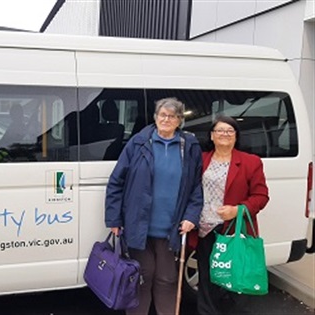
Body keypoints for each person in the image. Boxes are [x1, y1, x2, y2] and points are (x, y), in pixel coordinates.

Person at [105, 97, 203, 315]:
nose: (166, 119)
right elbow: (116, 181)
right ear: (155, 117)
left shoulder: (189, 146)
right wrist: (114, 219)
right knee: (141, 276)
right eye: (162, 115)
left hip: (172, 228)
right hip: (139, 226)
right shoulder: (139, 143)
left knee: (167, 279)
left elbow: (196, 186)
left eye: (172, 116)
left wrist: (191, 217)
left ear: (179, 121)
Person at [195, 115, 269, 315]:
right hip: (204, 229)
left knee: (235, 279)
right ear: (211, 135)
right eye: (219, 130)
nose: (224, 134)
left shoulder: (250, 162)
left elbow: (261, 196)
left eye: (230, 131)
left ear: (236, 136)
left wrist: (236, 210)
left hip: (233, 230)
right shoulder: (202, 160)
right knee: (207, 279)